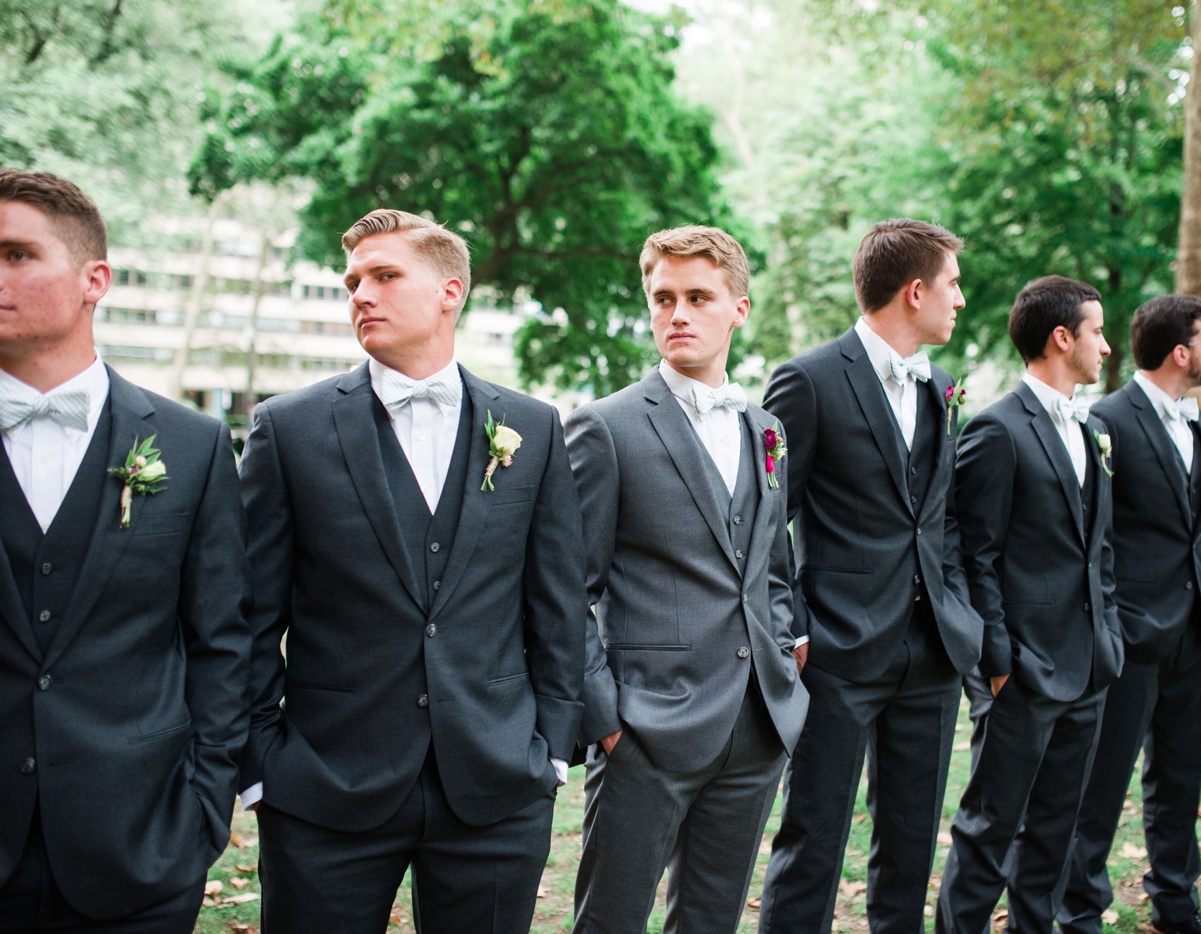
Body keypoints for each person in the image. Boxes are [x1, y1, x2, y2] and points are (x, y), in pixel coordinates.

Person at [238, 208, 587, 933]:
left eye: (385, 276)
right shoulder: (289, 428)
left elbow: (556, 601)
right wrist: (264, 761)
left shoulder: (532, 424)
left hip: (497, 788)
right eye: (352, 281)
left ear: (449, 291)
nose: (360, 294)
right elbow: (246, 615)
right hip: (325, 787)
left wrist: (550, 753)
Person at [0, 168, 252, 931]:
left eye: (16, 255)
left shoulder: (192, 443)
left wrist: (203, 809)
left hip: (141, 850)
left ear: (94, 281)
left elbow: (221, 642)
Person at [565, 225, 809, 933]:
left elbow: (772, 567)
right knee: (610, 919)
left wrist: (787, 650)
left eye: (698, 296)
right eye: (662, 297)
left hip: (755, 725)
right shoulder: (605, 427)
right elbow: (566, 590)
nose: (677, 313)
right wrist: (606, 717)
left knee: (710, 921)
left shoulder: (766, 429)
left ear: (738, 308)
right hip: (645, 727)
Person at [759, 219, 984, 932]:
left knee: (912, 841)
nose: (961, 298)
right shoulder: (809, 379)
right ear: (914, 292)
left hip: (932, 651)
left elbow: (941, 516)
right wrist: (793, 627)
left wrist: (959, 612)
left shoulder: (942, 386)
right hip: (838, 650)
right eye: (952, 283)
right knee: (814, 837)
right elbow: (769, 520)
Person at [936, 275, 1123, 934]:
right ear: (1062, 337)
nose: (1106, 346)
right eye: (1097, 332)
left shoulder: (1092, 429)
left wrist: (1111, 637)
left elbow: (1096, 547)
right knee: (989, 832)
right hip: (1021, 672)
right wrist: (998, 662)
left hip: (1089, 665)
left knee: (1054, 834)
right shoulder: (997, 431)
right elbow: (972, 553)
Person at [1056, 295, 1201, 934]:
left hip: (1197, 626)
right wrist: (1110, 621)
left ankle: (1175, 901)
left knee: (1180, 776)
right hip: (1131, 632)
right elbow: (1093, 536)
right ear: (1180, 352)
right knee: (1103, 780)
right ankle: (1079, 908)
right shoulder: (1106, 421)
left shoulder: (1196, 422)